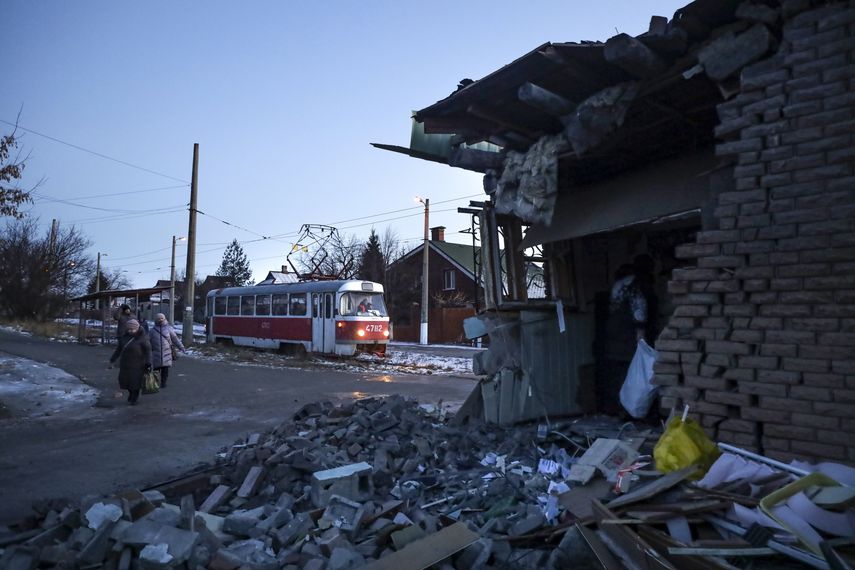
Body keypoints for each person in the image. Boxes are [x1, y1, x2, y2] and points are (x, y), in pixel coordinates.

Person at [601, 255, 658, 415]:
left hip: (614, 335)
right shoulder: (636, 284)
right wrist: (641, 335)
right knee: (632, 374)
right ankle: (630, 411)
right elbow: (639, 309)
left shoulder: (619, 285)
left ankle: (619, 409)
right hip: (628, 336)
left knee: (619, 373)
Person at [109, 318, 152, 405]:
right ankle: (131, 393)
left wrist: (148, 363)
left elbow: (148, 352)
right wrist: (113, 359)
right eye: (128, 329)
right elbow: (119, 349)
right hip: (125, 364)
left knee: (135, 382)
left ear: (137, 328)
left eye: (132, 329)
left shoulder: (143, 339)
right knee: (125, 381)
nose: (130, 331)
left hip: (138, 364)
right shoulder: (124, 338)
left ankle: (134, 397)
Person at [148, 313, 184, 388]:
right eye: (158, 318)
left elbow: (175, 339)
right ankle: (155, 382)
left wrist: (181, 347)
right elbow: (147, 341)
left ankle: (163, 382)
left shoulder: (169, 329)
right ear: (156, 320)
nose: (160, 320)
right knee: (156, 369)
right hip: (156, 353)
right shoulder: (152, 330)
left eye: (162, 318)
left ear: (164, 319)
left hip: (166, 352)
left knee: (165, 369)